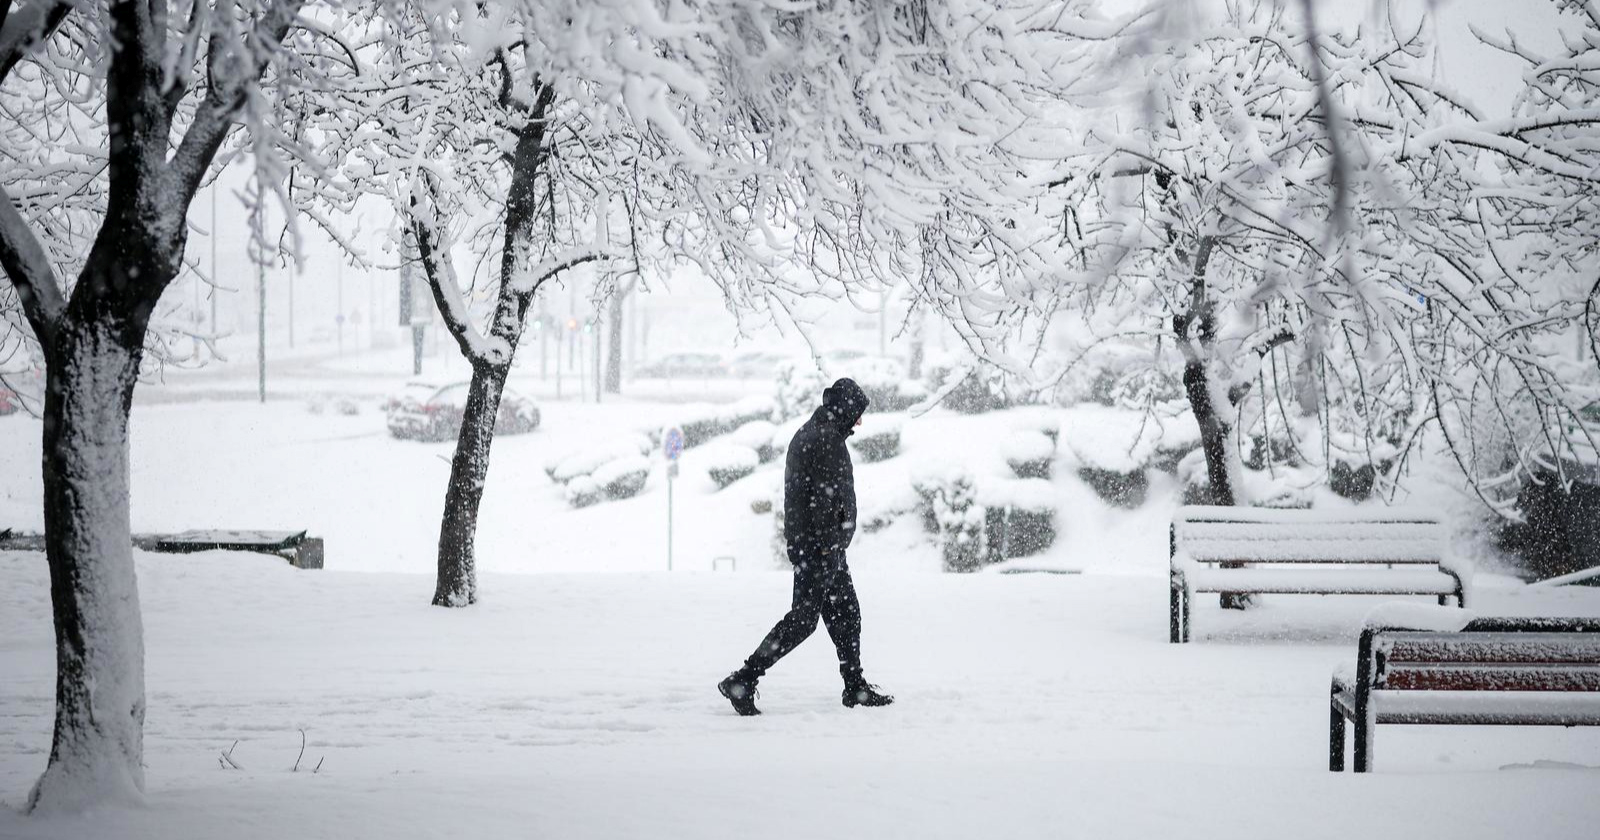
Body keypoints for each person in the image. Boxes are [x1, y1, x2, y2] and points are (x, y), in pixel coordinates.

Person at [718, 377, 894, 715]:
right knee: (804, 620)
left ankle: (855, 686)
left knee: (847, 613)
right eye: (857, 413)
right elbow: (822, 501)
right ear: (844, 409)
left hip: (821, 547)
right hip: (820, 549)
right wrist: (829, 545)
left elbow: (815, 497)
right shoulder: (825, 440)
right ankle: (743, 679)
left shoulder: (816, 433)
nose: (860, 421)